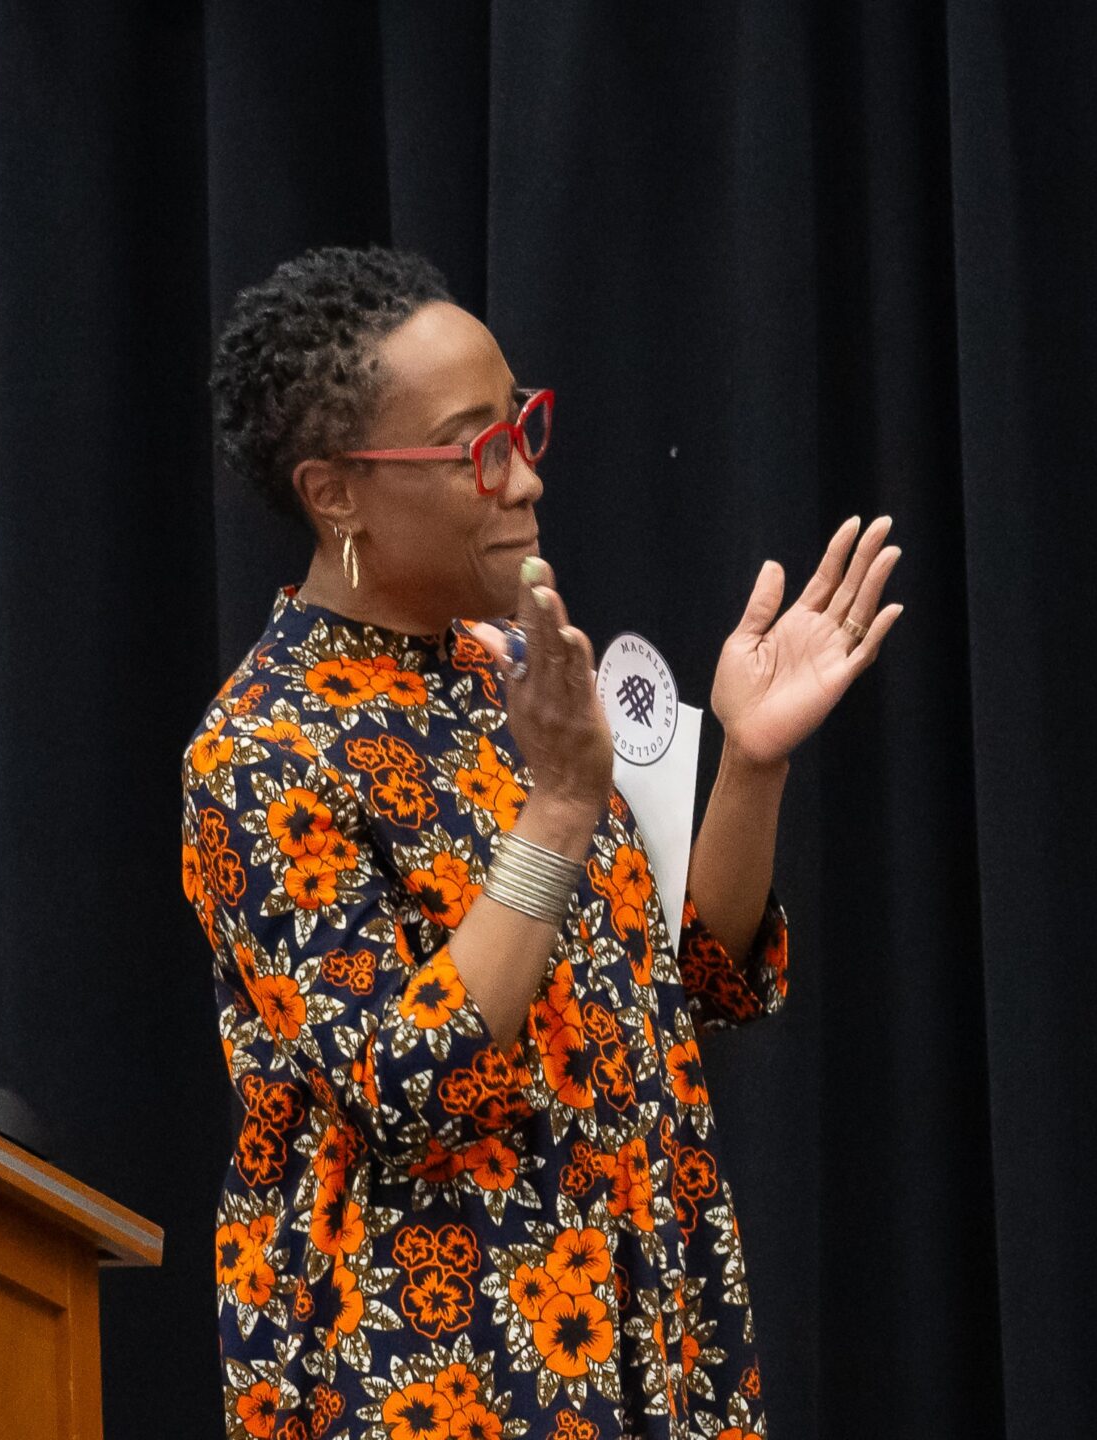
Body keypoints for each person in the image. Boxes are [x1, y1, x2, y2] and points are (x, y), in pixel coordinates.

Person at [182, 245, 899, 1439]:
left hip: (646, 1320)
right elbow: (409, 1086)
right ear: (335, 494)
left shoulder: (510, 673)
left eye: (522, 425)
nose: (524, 477)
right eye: (476, 448)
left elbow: (690, 980)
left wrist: (751, 761)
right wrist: (559, 810)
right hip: (432, 1360)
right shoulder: (260, 751)